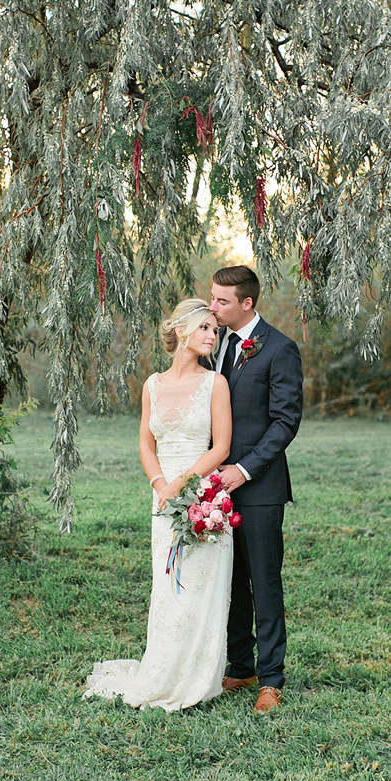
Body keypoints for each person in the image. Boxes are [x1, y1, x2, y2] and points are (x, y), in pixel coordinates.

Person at [83, 299, 233, 711]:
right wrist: (159, 484)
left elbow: (220, 446)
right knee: (167, 586)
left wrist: (183, 484)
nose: (211, 336)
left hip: (202, 493)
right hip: (162, 494)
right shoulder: (152, 384)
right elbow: (145, 443)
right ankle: (163, 668)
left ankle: (198, 677)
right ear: (182, 330)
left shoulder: (214, 384)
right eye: (205, 328)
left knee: (201, 585)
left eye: (215, 330)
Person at [209, 265, 303, 716]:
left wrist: (243, 470)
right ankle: (240, 665)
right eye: (212, 298)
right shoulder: (215, 344)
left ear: (248, 303)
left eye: (222, 301)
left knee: (264, 583)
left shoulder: (280, 349)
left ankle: (271, 679)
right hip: (216, 491)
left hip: (260, 488)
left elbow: (285, 422)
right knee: (230, 582)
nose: (213, 307)